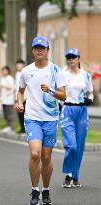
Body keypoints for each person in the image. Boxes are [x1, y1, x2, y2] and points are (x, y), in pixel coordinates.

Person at [15, 36, 66, 205]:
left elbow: (63, 95)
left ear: (47, 50)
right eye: (36, 47)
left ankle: (46, 190)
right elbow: (21, 91)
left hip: (50, 118)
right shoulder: (26, 71)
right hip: (32, 118)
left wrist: (50, 90)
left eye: (42, 47)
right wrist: (19, 102)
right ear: (32, 50)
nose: (39, 50)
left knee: (46, 157)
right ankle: (34, 190)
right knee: (35, 153)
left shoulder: (56, 70)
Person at [60, 48, 93, 188]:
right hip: (67, 110)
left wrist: (89, 99)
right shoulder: (62, 74)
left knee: (79, 146)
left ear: (79, 58)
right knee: (71, 145)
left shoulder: (85, 75)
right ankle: (68, 173)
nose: (71, 59)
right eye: (69, 57)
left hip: (81, 112)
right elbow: (58, 93)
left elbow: (90, 92)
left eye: (74, 57)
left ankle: (74, 176)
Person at [0, 65, 15, 134]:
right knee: (5, 114)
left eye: (5, 70)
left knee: (9, 114)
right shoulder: (2, 78)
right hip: (3, 99)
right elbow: (0, 87)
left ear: (8, 71)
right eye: (3, 70)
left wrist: (3, 86)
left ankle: (11, 127)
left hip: (9, 99)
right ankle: (8, 126)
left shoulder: (10, 78)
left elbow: (13, 87)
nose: (4, 72)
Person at [14, 59, 26, 133]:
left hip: (25, 97)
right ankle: (22, 128)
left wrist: (23, 98)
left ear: (23, 65)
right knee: (20, 114)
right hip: (18, 97)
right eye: (17, 66)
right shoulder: (17, 74)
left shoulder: (24, 73)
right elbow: (16, 87)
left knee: (25, 114)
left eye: (20, 65)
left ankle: (26, 128)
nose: (18, 67)